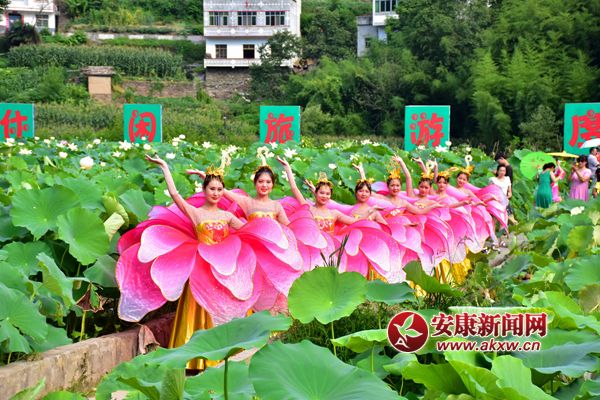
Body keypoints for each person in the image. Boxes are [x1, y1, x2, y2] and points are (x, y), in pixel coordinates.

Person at [118, 155, 254, 372]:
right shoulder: (196, 213)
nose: (216, 193)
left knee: (223, 310)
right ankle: (196, 359)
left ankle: (224, 354)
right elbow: (175, 195)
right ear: (204, 190)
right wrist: (165, 167)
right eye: (212, 189)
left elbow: (249, 230)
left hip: (222, 270)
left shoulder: (228, 216)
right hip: (201, 271)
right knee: (198, 311)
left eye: (219, 189)